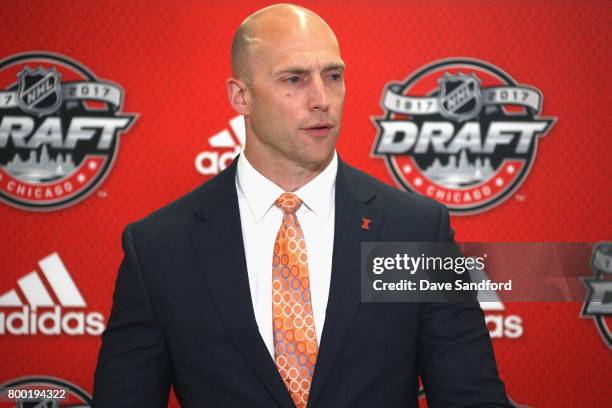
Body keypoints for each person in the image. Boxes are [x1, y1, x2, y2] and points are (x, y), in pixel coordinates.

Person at [93, 4, 511, 407]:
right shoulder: (160, 248)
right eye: (293, 79)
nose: (321, 99)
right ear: (240, 96)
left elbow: (472, 399)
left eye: (333, 76)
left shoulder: (417, 231)